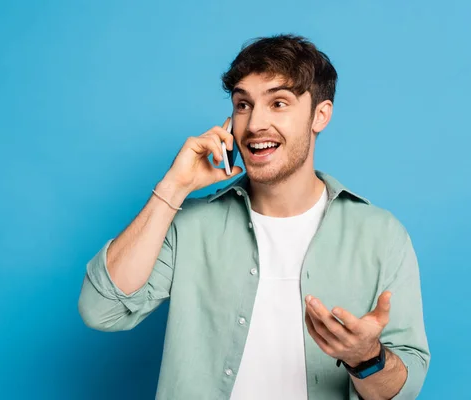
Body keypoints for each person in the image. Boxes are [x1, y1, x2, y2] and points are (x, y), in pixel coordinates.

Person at [77, 34, 430, 399]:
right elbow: (101, 310)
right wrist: (172, 188)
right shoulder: (189, 227)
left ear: (320, 115)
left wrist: (365, 358)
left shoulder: (381, 235)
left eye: (278, 103)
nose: (255, 123)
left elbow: (401, 390)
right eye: (243, 104)